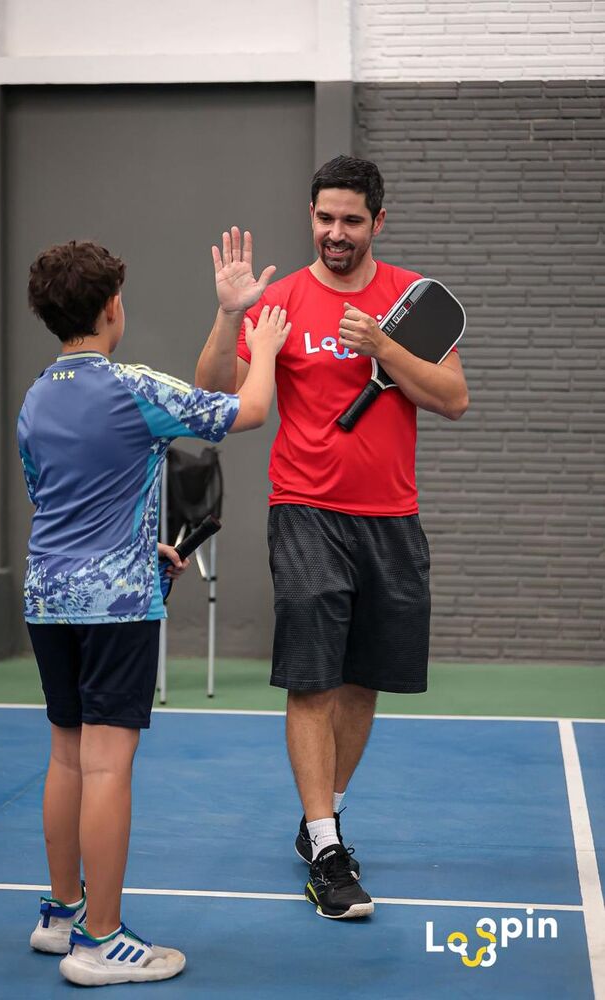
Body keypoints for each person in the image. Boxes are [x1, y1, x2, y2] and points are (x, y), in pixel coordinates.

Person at [195, 155, 469, 920]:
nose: (335, 233)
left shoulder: (409, 301)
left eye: (351, 220)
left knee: (362, 682)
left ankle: (324, 820)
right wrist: (228, 314)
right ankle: (327, 846)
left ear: (378, 222)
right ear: (310, 215)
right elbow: (214, 389)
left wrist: (384, 348)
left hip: (391, 517)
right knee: (314, 677)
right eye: (325, 218)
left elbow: (453, 398)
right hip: (306, 509)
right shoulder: (278, 301)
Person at [19, 239, 290, 986]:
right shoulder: (132, 386)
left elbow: (60, 500)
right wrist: (258, 341)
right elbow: (251, 410)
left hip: (48, 597)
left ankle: (60, 916)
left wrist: (146, 549)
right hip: (114, 609)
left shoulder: (36, 396)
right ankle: (101, 941)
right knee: (107, 766)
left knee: (66, 754)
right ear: (112, 308)